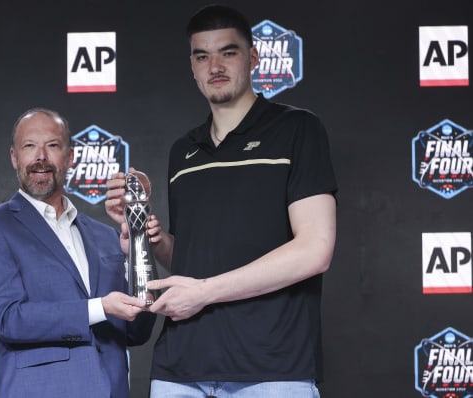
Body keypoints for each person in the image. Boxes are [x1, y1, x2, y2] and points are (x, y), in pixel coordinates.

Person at [105, 5, 337, 397]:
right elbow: (193, 260)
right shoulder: (184, 151)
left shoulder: (297, 129)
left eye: (227, 52)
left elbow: (315, 249)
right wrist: (153, 243)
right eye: (202, 56)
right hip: (180, 367)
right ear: (192, 67)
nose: (214, 66)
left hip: (271, 368)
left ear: (253, 57)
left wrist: (205, 292)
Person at [0, 108, 156, 398]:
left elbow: (137, 331)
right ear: (15, 157)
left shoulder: (106, 236)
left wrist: (135, 254)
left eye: (52, 145)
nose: (40, 156)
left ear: (70, 158)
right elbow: (8, 318)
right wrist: (99, 307)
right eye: (29, 146)